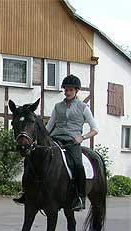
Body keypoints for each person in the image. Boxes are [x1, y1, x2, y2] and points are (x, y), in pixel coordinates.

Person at [13, 74, 98, 211]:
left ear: (76, 91)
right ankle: (26, 192)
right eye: (66, 90)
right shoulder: (58, 107)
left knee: (78, 164)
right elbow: (49, 127)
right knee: (30, 159)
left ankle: (80, 197)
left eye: (70, 90)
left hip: (72, 142)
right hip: (56, 139)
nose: (67, 92)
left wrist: (82, 137)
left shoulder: (83, 108)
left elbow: (95, 129)